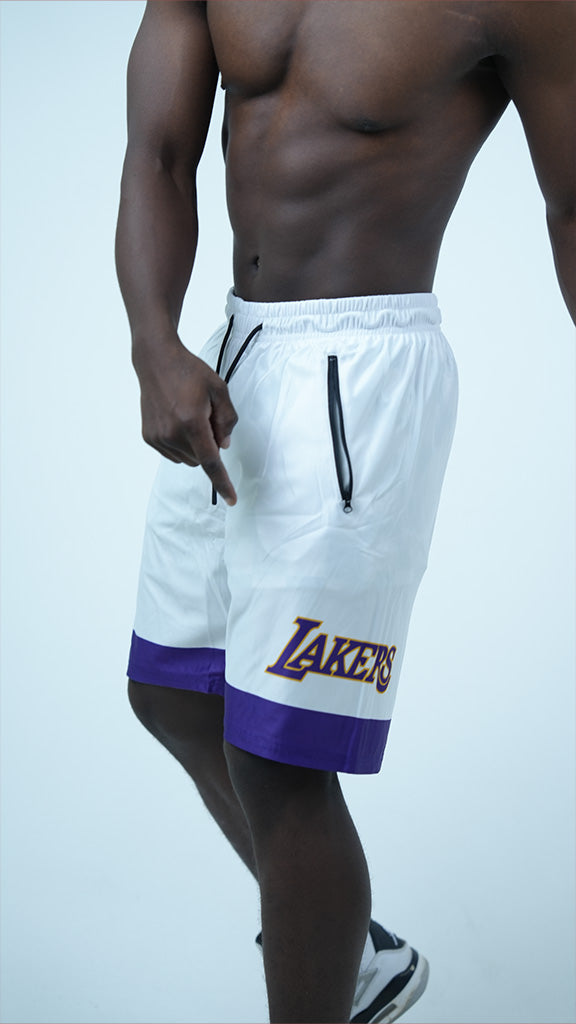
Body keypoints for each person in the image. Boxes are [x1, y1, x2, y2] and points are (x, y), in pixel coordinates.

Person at [115, 2, 575, 1021]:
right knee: (171, 690)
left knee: (276, 758)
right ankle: (348, 955)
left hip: (362, 378)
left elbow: (574, 208)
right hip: (232, 353)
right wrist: (155, 342)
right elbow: (159, 151)